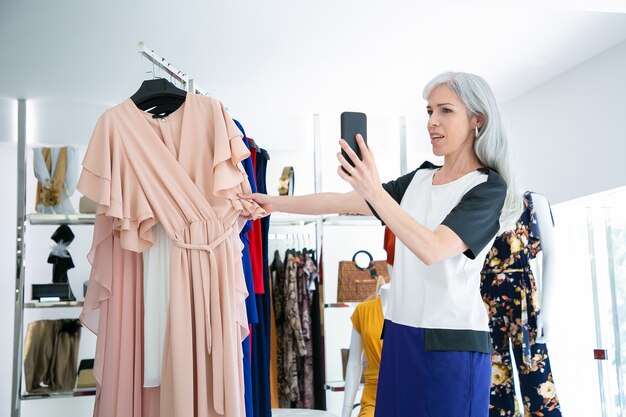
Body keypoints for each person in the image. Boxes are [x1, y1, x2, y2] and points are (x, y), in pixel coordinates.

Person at [241, 71, 522, 417]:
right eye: (429, 111)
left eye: (445, 110)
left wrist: (374, 191)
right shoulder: (420, 179)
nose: (432, 121)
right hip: (400, 338)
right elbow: (341, 202)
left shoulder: (488, 188)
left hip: (451, 345)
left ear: (477, 119)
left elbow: (432, 248)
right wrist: (271, 203)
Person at [481, 191, 562, 416]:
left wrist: (546, 311)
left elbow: (552, 254)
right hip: (483, 301)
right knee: (494, 383)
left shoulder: (533, 202)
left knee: (537, 378)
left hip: (524, 301)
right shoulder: (478, 197)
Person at [342, 282, 390, 417]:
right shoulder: (363, 311)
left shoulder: (412, 309)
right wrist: (346, 411)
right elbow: (354, 362)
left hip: (407, 393)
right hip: (374, 396)